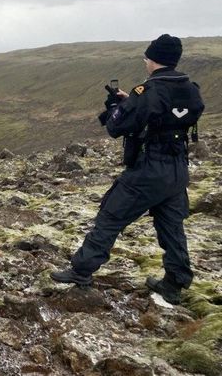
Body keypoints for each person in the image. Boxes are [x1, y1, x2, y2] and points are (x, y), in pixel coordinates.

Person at [51, 34, 204, 304]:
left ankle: (81, 270)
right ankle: (174, 283)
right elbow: (170, 115)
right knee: (172, 227)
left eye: (146, 57)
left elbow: (115, 127)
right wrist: (132, 103)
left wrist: (120, 106)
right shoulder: (190, 88)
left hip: (148, 170)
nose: (145, 61)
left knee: (111, 216)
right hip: (178, 169)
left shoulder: (146, 91)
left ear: (153, 60)